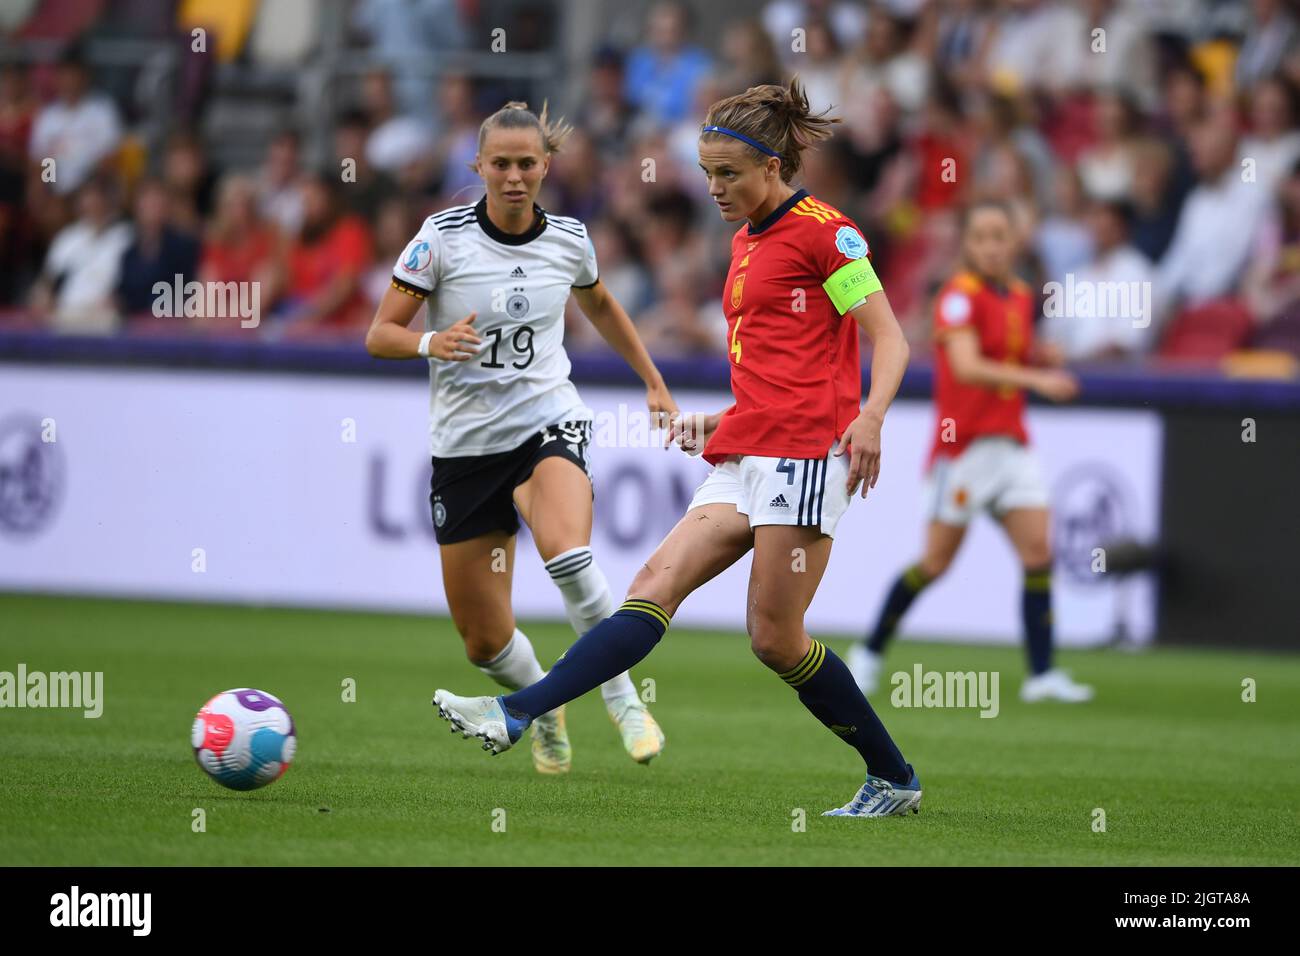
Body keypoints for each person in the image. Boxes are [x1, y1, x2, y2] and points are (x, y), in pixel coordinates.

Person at [434, 79, 923, 818]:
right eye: (707, 174)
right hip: (748, 450)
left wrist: (874, 417)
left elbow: (890, 337)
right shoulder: (743, 239)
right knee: (652, 587)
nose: (716, 188)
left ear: (772, 165)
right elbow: (781, 365)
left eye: (729, 174)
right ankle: (517, 712)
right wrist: (723, 421)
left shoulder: (829, 233)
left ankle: (893, 776)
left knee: (774, 638)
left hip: (807, 458)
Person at [365, 102, 675, 774]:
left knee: (567, 550)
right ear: (477, 166)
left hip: (547, 422)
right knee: (483, 642)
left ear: (546, 166)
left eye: (526, 163)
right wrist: (429, 340)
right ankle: (543, 703)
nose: (513, 176)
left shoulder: (569, 238)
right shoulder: (439, 238)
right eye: (500, 163)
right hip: (466, 449)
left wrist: (650, 377)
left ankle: (625, 704)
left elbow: (600, 303)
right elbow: (378, 333)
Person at [849, 199, 1094, 704]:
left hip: (1012, 445)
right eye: (981, 236)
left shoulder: (1022, 296)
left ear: (1014, 242)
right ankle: (869, 653)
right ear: (967, 243)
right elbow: (966, 366)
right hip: (962, 450)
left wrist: (1041, 355)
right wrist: (1037, 377)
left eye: (999, 236)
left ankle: (1042, 673)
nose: (991, 245)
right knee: (936, 563)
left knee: (1039, 552)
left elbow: (1009, 353)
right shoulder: (958, 297)